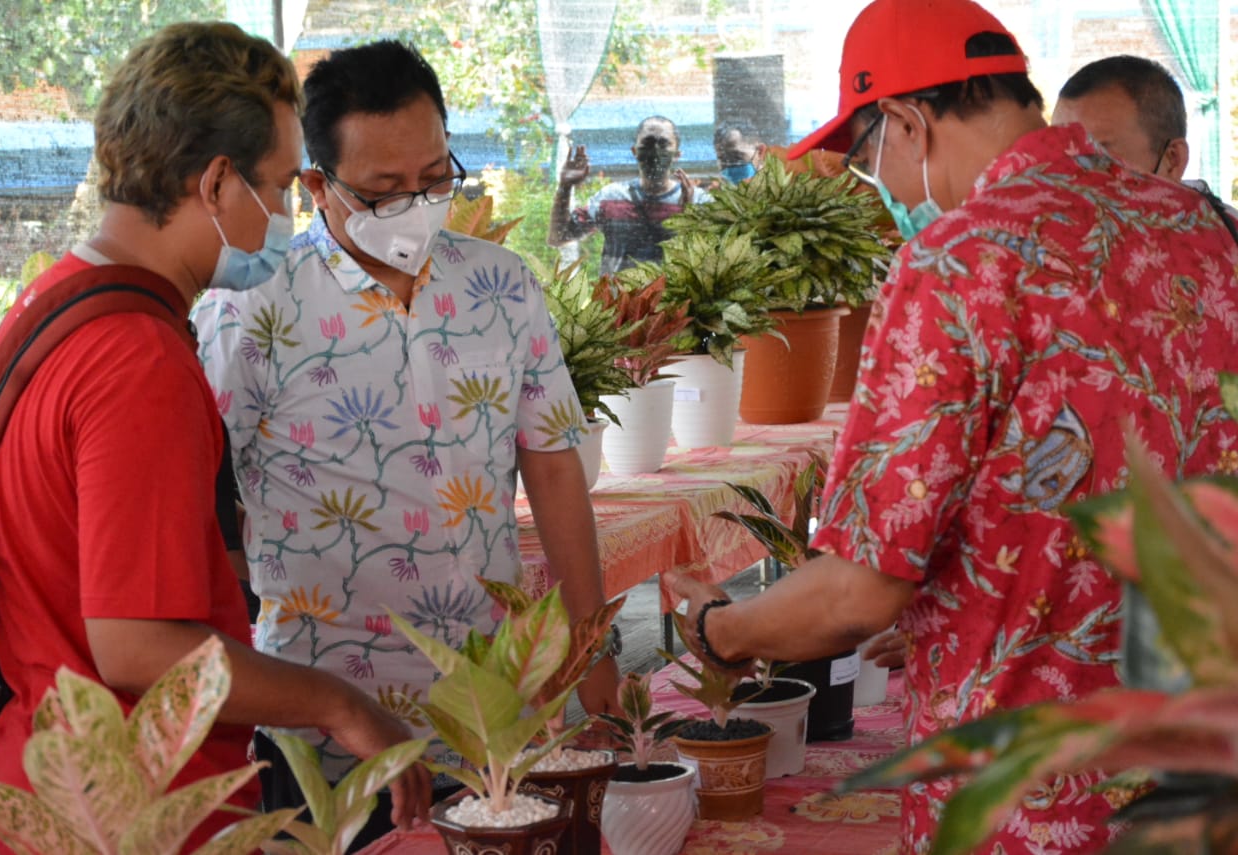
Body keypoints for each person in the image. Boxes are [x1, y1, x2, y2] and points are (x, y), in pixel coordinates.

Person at [670, 0, 1238, 852]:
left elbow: (858, 593)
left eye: (865, 158)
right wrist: (963, 594)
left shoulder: (957, 262)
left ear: (905, 121)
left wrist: (723, 630)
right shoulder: (1201, 233)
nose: (881, 187)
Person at [0, 22, 431, 851]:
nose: (290, 214)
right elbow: (139, 644)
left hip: (60, 781)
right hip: (139, 813)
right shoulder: (136, 361)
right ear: (218, 182)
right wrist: (340, 704)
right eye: (281, 186)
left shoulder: (52, 300)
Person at [191, 39, 619, 846]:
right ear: (316, 185)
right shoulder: (249, 309)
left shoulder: (502, 286)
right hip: (329, 722)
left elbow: (556, 473)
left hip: (493, 708)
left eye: (433, 180)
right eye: (384, 191)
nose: (417, 206)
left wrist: (589, 648)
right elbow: (204, 500)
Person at [1052, 54, 1238, 224]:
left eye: (1098, 158)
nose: (1071, 176)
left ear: (1173, 160)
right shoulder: (1041, 241)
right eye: (1059, 155)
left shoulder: (1225, 247)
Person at [548, 115, 711, 276]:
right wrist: (565, 186)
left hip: (675, 302)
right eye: (647, 143)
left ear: (677, 154)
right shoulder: (611, 197)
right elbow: (559, 236)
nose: (654, 151)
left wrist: (689, 216)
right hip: (618, 302)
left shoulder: (698, 202)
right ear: (634, 151)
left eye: (663, 144)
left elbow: (710, 262)